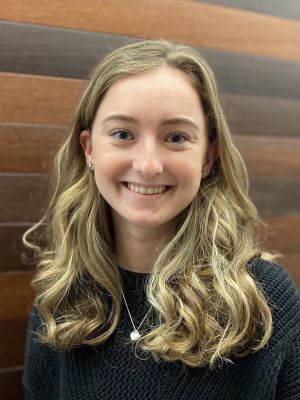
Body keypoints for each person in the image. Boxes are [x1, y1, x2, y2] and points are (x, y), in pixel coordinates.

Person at [22, 39, 300, 399]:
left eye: (176, 137)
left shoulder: (263, 298)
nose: (148, 165)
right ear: (89, 149)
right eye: (123, 134)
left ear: (208, 157)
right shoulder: (59, 297)